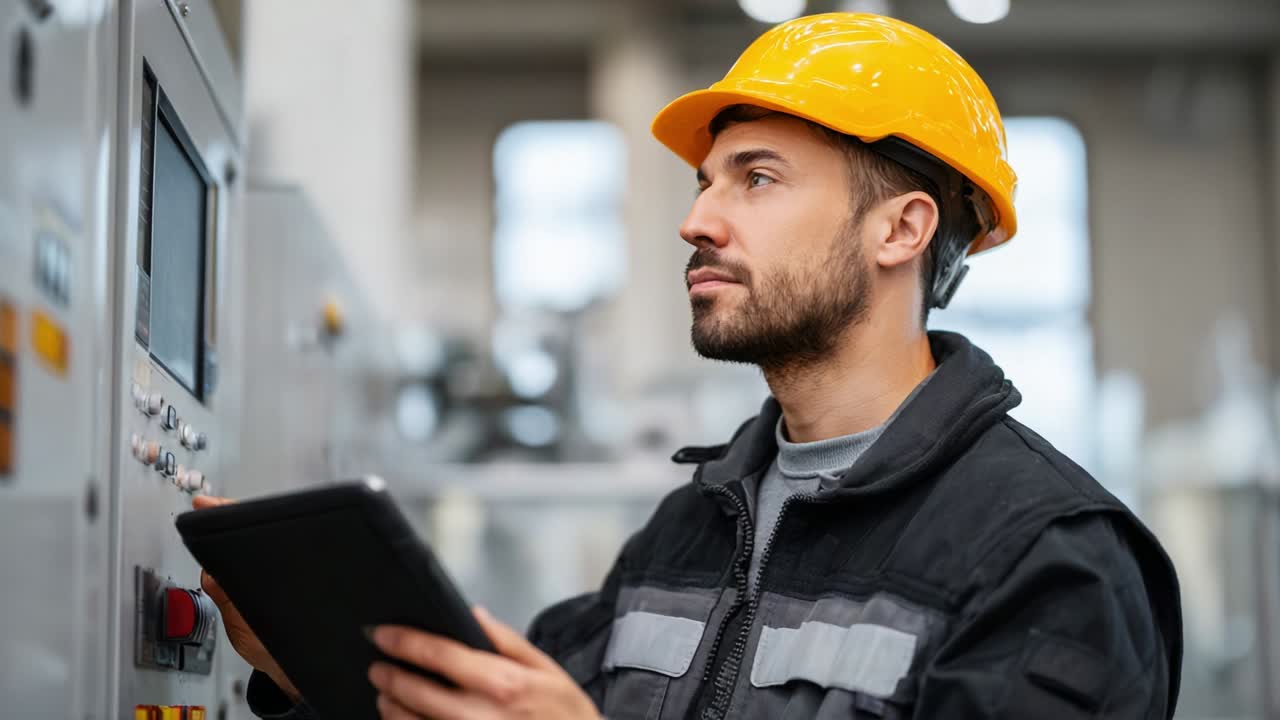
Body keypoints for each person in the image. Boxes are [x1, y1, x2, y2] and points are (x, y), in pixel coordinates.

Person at [201, 12, 1182, 719]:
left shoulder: (1051, 561)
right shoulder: (692, 527)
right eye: (703, 182)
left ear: (900, 228)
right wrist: (313, 660)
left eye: (755, 179)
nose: (695, 219)